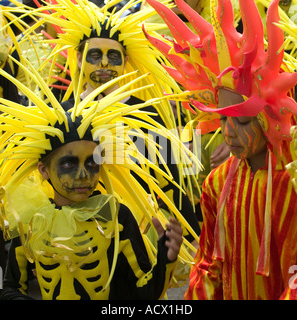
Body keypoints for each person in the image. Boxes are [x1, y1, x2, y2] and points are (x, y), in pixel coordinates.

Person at [0, 60, 191, 299]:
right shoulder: (31, 221)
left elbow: (144, 292)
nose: (82, 175)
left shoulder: (115, 216)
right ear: (43, 170)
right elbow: (11, 288)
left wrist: (166, 258)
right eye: (68, 164)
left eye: (92, 163)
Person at [145, 0, 297, 299]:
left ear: (271, 118)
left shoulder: (291, 183)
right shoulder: (217, 182)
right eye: (222, 118)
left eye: (241, 120)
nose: (228, 132)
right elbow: (209, 263)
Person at [25, 0, 202, 245]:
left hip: (138, 234)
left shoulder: (146, 113)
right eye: (95, 56)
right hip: (77, 236)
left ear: (125, 60)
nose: (105, 64)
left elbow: (170, 176)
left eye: (113, 56)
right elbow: (45, 180)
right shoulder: (64, 115)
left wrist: (192, 235)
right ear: (78, 59)